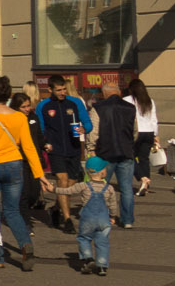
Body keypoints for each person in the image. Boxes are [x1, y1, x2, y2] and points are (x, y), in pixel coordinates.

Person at [0, 75, 45, 271]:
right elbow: (29, 148)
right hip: (14, 165)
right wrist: (40, 174)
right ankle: (25, 245)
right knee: (12, 211)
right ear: (10, 95)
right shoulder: (20, 117)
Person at [46, 160, 116, 276]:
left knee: (84, 238)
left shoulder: (83, 186)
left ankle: (88, 258)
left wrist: (53, 189)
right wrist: (112, 216)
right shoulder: (109, 188)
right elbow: (113, 204)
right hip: (103, 219)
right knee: (103, 242)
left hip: (88, 219)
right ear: (102, 173)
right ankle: (102, 267)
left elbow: (67, 191)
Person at [92, 79, 139, 230]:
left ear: (104, 94)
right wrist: (129, 144)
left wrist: (91, 149)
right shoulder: (131, 108)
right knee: (126, 188)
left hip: (105, 153)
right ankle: (127, 220)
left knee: (101, 187)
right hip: (126, 152)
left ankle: (103, 217)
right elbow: (135, 131)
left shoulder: (98, 108)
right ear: (119, 92)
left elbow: (94, 132)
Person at [35, 75, 91, 190]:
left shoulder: (75, 102)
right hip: (55, 148)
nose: (62, 92)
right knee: (62, 179)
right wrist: (44, 143)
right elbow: (40, 129)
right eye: (59, 90)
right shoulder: (43, 105)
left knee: (73, 180)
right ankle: (64, 208)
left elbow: (88, 123)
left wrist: (84, 129)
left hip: (73, 148)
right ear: (50, 90)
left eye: (64, 89)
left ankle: (59, 202)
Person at [128, 77, 158, 189]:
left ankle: (142, 178)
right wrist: (155, 134)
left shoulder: (128, 99)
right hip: (149, 132)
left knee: (129, 157)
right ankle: (146, 183)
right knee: (144, 158)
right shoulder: (150, 101)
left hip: (136, 132)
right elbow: (154, 119)